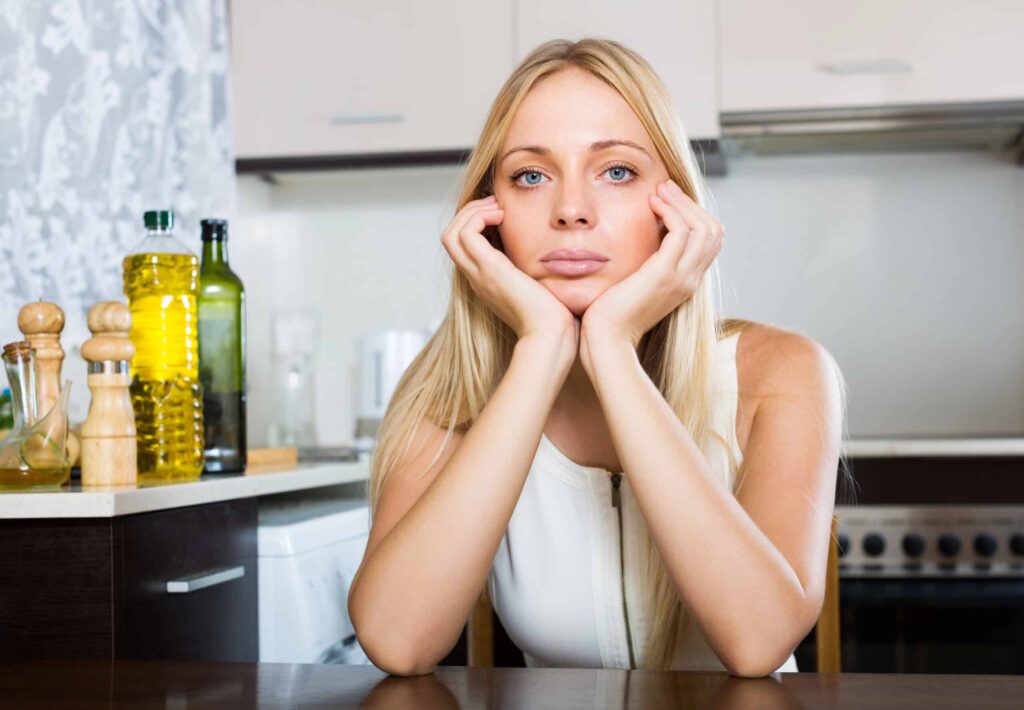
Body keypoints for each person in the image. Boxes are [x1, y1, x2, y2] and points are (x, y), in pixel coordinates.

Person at [348, 37, 851, 677]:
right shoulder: (452, 392)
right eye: (531, 175)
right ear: (489, 214)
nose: (571, 211)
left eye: (616, 171)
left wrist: (612, 346)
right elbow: (397, 640)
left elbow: (758, 643)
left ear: (676, 204)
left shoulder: (784, 373)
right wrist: (541, 349)